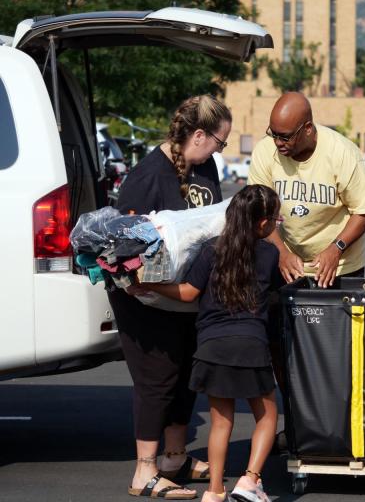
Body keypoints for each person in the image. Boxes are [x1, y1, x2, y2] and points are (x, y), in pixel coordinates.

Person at [110, 94, 232, 499]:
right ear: (199, 135)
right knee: (157, 380)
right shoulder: (148, 175)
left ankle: (175, 458)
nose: (220, 150)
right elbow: (125, 240)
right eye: (220, 141)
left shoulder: (204, 165)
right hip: (147, 297)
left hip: (187, 296)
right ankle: (144, 470)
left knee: (184, 379)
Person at [130, 185, 281, 502]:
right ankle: (250, 480)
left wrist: (151, 284)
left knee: (220, 423)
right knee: (267, 417)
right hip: (251, 343)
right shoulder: (269, 254)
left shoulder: (212, 250)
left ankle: (214, 491)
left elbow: (187, 292)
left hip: (211, 344)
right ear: (263, 223)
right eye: (276, 219)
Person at [248, 91, 365, 287]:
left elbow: (362, 212)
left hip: (339, 267)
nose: (277, 142)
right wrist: (282, 252)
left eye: (285, 136)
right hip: (286, 264)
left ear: (307, 128)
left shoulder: (342, 153)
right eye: (273, 134)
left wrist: (336, 249)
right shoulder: (265, 151)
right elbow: (258, 212)